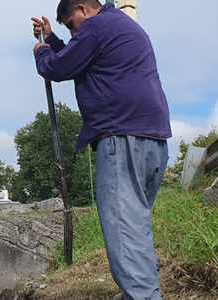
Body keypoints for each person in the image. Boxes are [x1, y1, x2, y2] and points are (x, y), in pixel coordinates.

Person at [31, 1, 171, 299]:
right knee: (135, 227)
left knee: (123, 230)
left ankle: (142, 295)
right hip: (153, 140)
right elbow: (79, 52)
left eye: (70, 25)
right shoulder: (123, 25)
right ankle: (139, 291)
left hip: (121, 139)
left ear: (82, 8)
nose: (72, 32)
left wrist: (43, 51)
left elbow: (59, 67)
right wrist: (53, 39)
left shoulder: (96, 26)